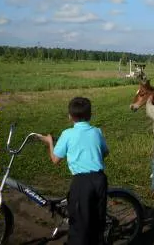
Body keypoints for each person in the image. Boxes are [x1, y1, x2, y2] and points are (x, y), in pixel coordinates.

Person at [38, 96, 109, 245]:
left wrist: (50, 142)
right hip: (100, 179)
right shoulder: (97, 132)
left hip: (82, 182)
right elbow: (105, 152)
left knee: (79, 221)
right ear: (90, 115)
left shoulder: (67, 134)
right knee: (98, 217)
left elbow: (55, 159)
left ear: (70, 116)